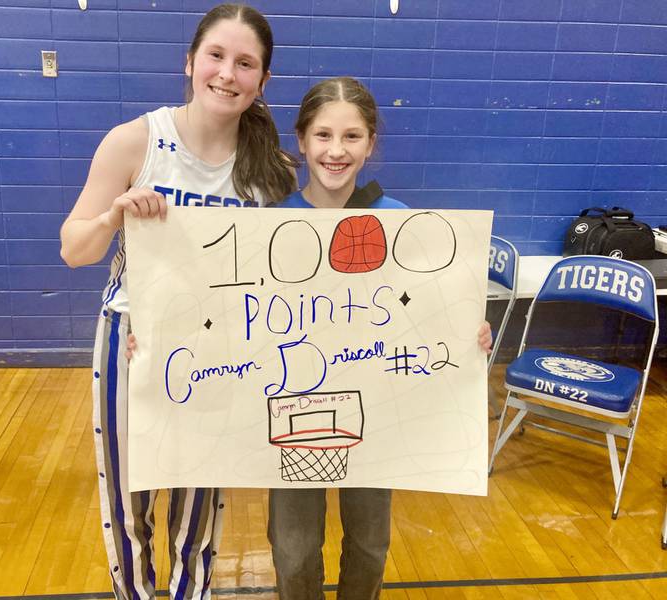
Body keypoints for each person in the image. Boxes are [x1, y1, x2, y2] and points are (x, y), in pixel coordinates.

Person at [59, 4, 295, 599]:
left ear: (262, 81)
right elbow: (73, 250)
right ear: (190, 62)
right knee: (128, 498)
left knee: (197, 509)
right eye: (216, 56)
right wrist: (114, 215)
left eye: (245, 63)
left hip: (220, 349)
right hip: (133, 341)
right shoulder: (136, 140)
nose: (227, 73)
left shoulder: (271, 169)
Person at [267, 76, 493, 600]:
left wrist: (466, 334)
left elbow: (428, 314)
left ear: (370, 143)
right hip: (295, 409)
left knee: (370, 543)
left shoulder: (400, 221)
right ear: (301, 141)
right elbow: (237, 327)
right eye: (323, 135)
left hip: (378, 411)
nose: (336, 150)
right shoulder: (273, 225)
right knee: (294, 547)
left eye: (352, 136)